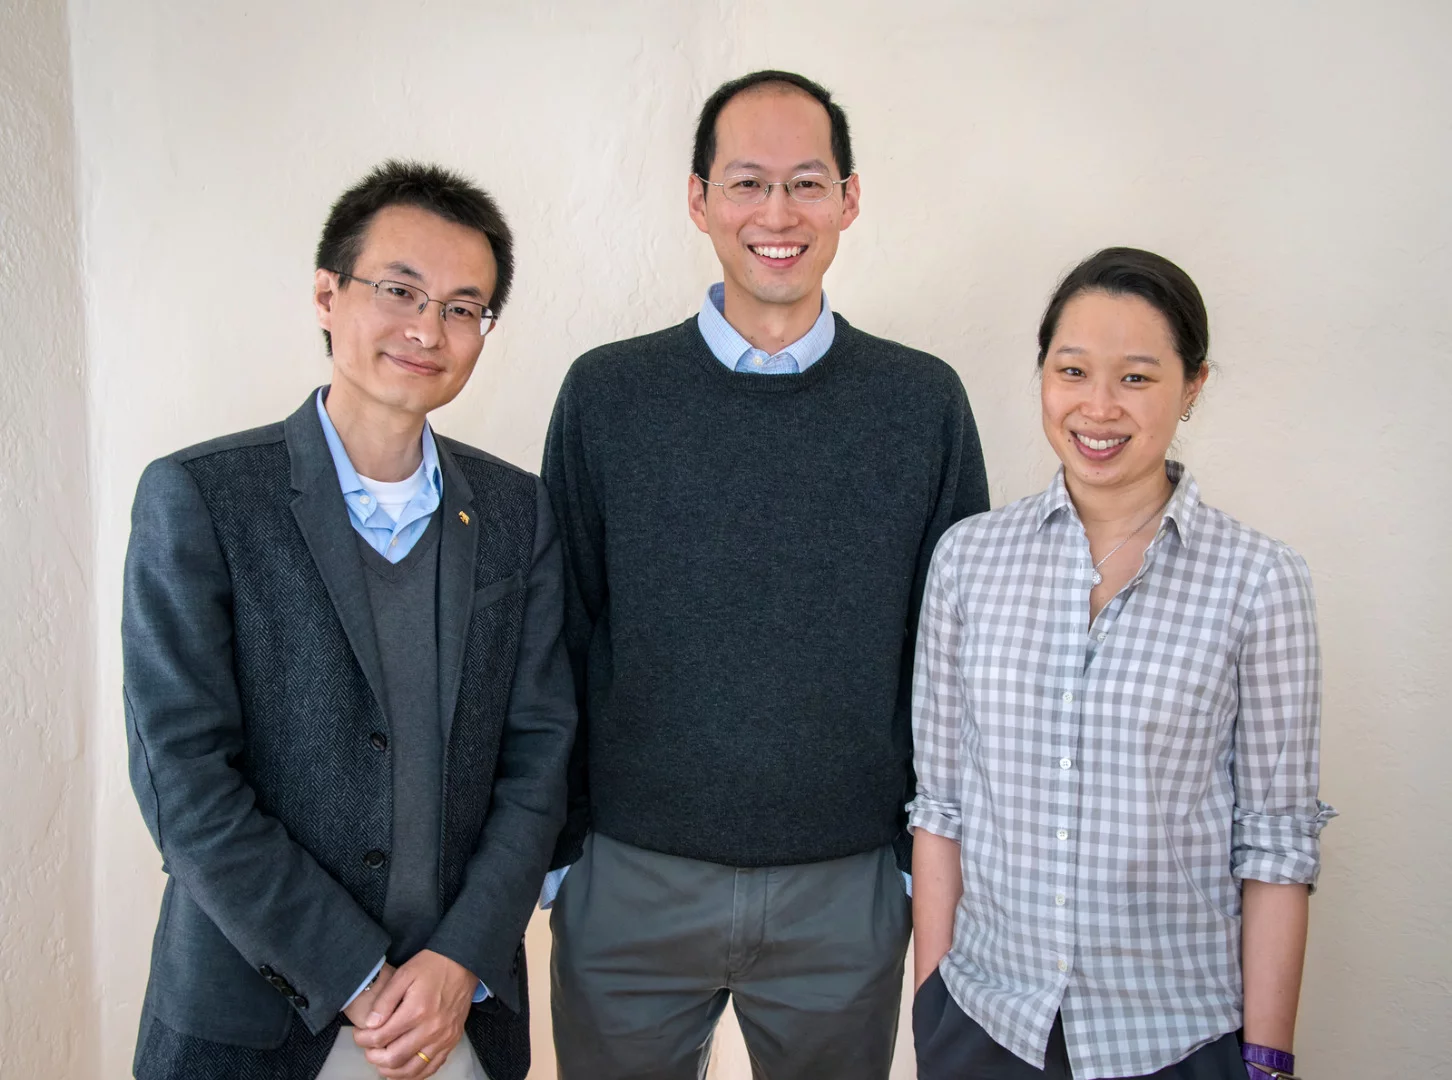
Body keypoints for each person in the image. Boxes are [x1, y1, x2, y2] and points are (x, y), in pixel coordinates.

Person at [541, 70, 990, 1080]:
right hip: (632, 880)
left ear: (849, 199)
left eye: (806, 183)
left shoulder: (922, 403)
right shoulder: (608, 395)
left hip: (848, 886)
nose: (777, 215)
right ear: (698, 199)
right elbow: (557, 633)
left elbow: (957, 657)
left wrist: (919, 869)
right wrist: (565, 857)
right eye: (747, 183)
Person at [122, 160, 575, 1080]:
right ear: (327, 294)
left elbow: (540, 757)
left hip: (458, 1015)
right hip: (252, 1016)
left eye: (462, 307)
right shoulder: (202, 498)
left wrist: (460, 959)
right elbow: (185, 782)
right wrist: (358, 977)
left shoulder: (519, 512)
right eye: (399, 290)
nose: (428, 329)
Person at [909, 247, 1335, 1080]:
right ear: (1043, 374)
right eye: (1072, 371)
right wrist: (932, 1008)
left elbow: (1277, 844)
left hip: (1175, 1039)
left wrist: (1267, 1058)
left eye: (1136, 378)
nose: (1098, 407)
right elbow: (943, 809)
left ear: (1192, 387)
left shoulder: (1259, 581)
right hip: (987, 1024)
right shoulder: (969, 560)